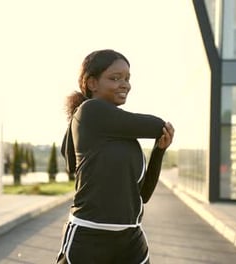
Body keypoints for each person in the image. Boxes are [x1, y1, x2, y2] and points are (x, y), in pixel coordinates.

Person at [56, 49, 174, 264]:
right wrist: (159, 131)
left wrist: (159, 151)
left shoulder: (128, 139)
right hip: (89, 239)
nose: (125, 84)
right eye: (115, 78)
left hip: (131, 240)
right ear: (92, 83)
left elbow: (143, 195)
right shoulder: (89, 112)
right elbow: (157, 125)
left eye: (127, 78)